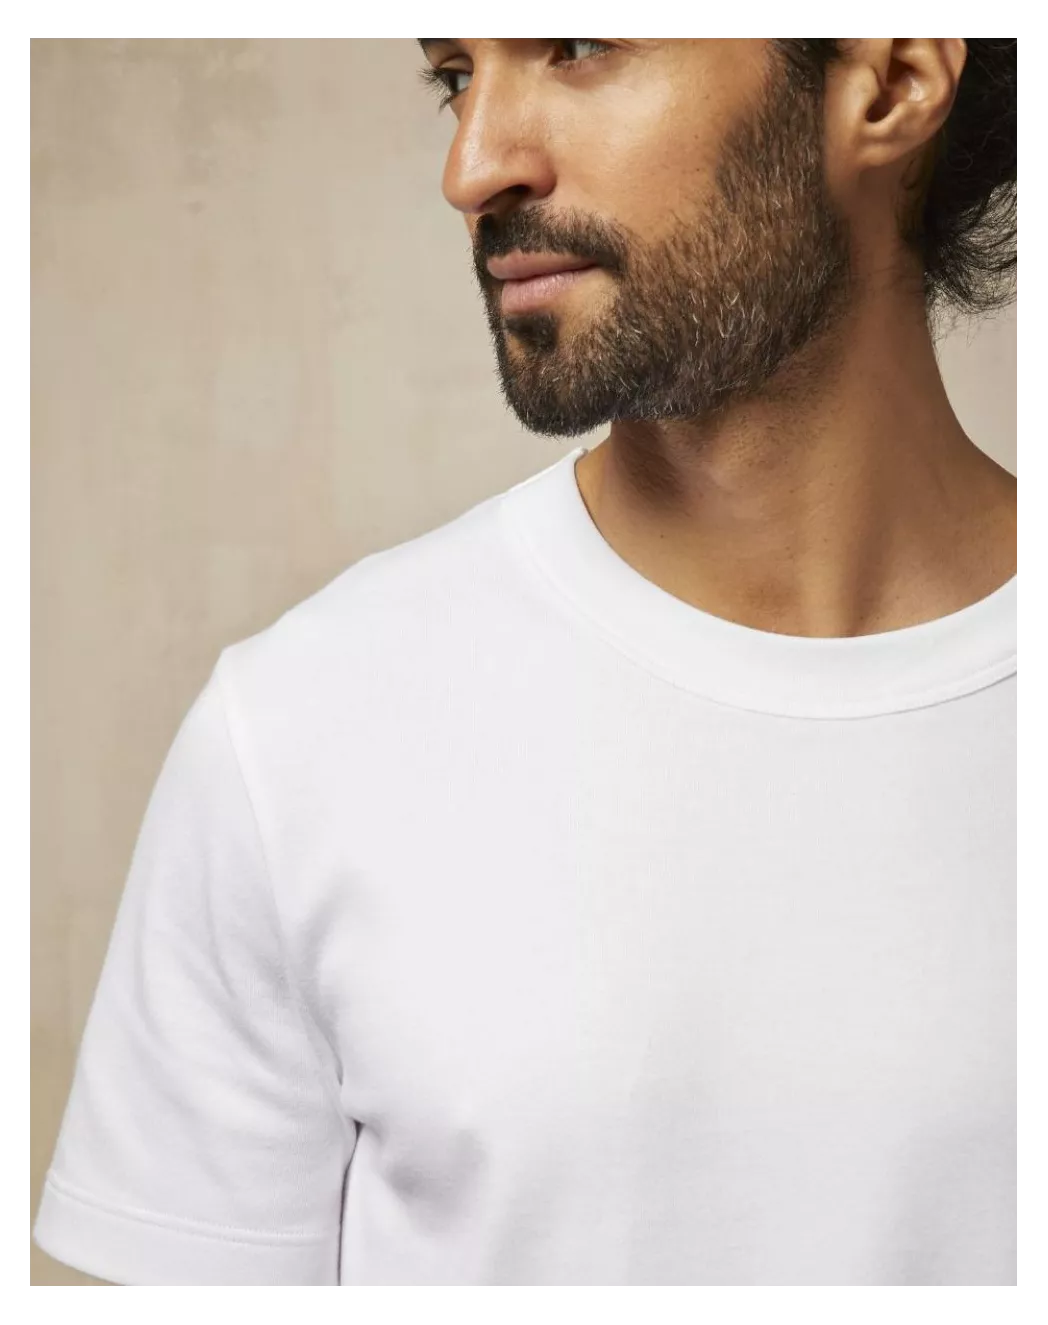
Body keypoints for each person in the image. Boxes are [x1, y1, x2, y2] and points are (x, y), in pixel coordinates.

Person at [33, 34, 1022, 1287]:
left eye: (577, 45)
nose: (471, 167)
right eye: (456, 75)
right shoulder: (302, 732)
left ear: (889, 78)